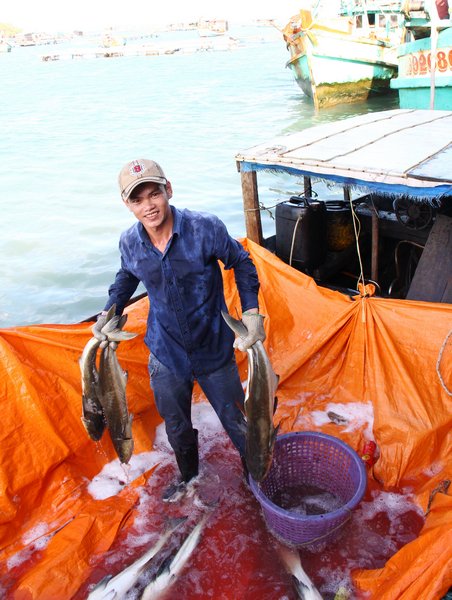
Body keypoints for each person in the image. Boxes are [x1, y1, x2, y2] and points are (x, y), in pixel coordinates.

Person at [93, 159, 266, 501]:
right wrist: (109, 310)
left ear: (168, 190)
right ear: (127, 205)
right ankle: (189, 477)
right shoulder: (129, 242)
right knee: (176, 427)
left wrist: (251, 313)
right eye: (138, 199)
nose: (148, 206)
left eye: (154, 194)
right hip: (166, 353)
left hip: (213, 348)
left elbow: (242, 261)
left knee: (240, 424)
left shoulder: (205, 228)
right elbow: (127, 277)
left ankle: (257, 478)